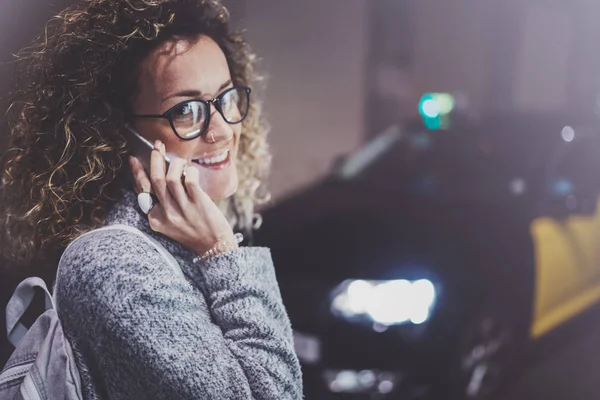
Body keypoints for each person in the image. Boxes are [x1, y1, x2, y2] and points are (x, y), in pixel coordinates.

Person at [0, 0, 303, 399]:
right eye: (187, 110)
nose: (222, 131)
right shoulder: (112, 265)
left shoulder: (183, 234)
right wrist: (220, 251)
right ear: (117, 132)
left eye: (227, 98)